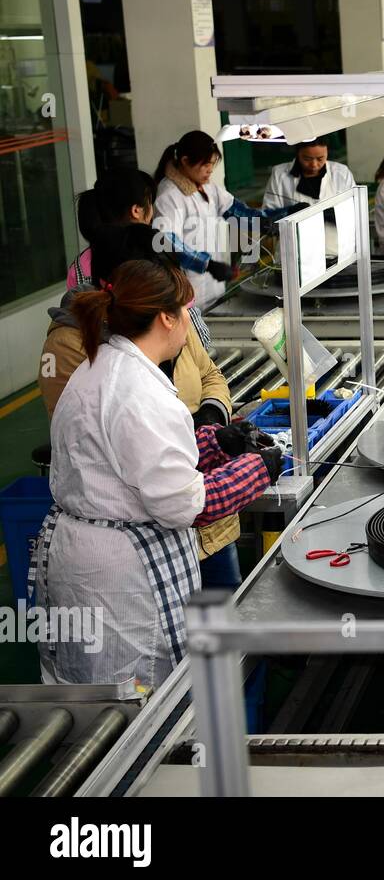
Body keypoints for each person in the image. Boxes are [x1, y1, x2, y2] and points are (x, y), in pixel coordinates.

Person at [32, 258, 283, 688]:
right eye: (187, 310)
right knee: (136, 704)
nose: (190, 319)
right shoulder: (140, 392)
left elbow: (130, 463)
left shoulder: (102, 366)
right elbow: (186, 505)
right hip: (120, 577)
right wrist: (259, 468)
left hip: (87, 553)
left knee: (95, 693)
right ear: (166, 317)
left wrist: (216, 444)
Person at [40, 223, 247, 590]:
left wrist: (211, 431)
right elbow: (181, 502)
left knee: (212, 628)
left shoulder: (122, 356)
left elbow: (209, 374)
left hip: (176, 536)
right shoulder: (126, 380)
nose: (189, 315)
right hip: (128, 556)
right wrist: (252, 472)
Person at [70, 169, 226, 351]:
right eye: (150, 204)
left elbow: (82, 329)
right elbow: (194, 329)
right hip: (165, 365)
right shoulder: (154, 251)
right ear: (136, 210)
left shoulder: (80, 267)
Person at [152, 130, 302, 312]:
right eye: (206, 164)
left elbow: (236, 212)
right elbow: (166, 242)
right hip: (187, 293)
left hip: (213, 290)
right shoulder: (169, 196)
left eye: (212, 164)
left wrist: (279, 216)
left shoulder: (207, 187)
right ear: (185, 161)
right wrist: (207, 264)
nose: (210, 170)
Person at [262, 138, 358, 210]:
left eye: (320, 158)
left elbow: (353, 207)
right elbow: (269, 210)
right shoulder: (279, 174)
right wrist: (288, 212)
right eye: (307, 159)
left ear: (327, 152)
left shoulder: (341, 173)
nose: (314, 165)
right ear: (298, 153)